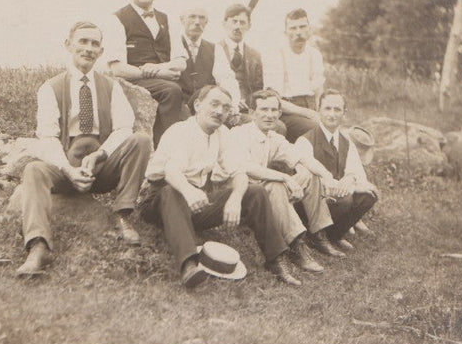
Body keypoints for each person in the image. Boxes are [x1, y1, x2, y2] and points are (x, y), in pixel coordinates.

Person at [15, 21, 154, 277]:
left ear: (101, 51)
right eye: (83, 41)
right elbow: (47, 137)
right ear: (68, 45)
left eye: (94, 43)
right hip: (66, 164)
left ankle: (122, 215)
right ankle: (38, 245)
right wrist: (68, 170)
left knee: (141, 140)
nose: (89, 48)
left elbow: (124, 128)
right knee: (34, 169)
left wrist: (100, 154)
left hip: (101, 166)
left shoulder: (112, 86)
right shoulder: (50, 88)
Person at [139, 85, 307, 287]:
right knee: (172, 192)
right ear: (198, 105)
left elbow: (238, 172)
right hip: (160, 199)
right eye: (214, 104)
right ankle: (189, 265)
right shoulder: (181, 131)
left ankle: (276, 260)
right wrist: (189, 192)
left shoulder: (222, 134)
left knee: (255, 191)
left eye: (226, 108)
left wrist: (235, 199)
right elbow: (171, 172)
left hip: (194, 203)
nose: (220, 111)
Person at [222, 88, 340, 275]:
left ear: (279, 113)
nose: (269, 115)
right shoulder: (239, 134)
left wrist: (326, 176)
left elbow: (302, 157)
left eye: (274, 110)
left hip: (259, 190)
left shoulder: (273, 137)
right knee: (276, 185)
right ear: (252, 112)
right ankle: (296, 245)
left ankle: (318, 234)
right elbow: (245, 167)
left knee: (310, 174)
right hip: (235, 194)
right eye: (264, 110)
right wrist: (285, 177)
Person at [103, 0, 186, 144]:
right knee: (171, 91)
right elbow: (117, 68)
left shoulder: (168, 19)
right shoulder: (117, 19)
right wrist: (155, 73)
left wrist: (159, 68)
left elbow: (181, 61)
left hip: (164, 78)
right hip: (134, 81)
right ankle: (164, 147)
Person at [295, 89, 378, 257]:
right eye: (327, 108)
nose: (332, 114)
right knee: (346, 199)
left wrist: (350, 179)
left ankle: (334, 235)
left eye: (337, 109)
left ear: (344, 113)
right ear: (318, 110)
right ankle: (314, 234)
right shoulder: (305, 141)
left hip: (337, 198)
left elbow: (357, 173)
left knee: (369, 195)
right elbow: (310, 180)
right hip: (312, 202)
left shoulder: (347, 143)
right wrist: (349, 187)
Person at [263, 8, 326, 141]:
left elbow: (319, 93)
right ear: (285, 32)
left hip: (311, 108)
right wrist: (309, 113)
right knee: (316, 129)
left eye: (302, 27)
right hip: (287, 112)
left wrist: (321, 113)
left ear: (309, 30)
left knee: (334, 130)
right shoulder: (276, 56)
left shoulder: (315, 54)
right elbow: (275, 100)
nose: (298, 32)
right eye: (293, 28)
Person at [176, 6, 241, 107]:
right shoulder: (173, 44)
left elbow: (226, 79)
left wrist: (233, 105)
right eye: (192, 17)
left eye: (202, 18)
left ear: (206, 22)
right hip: (178, 105)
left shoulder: (215, 49)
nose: (197, 22)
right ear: (182, 20)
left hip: (206, 107)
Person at [219, 3, 264, 109]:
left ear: (249, 26)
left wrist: (248, 102)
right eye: (234, 21)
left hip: (248, 108)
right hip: (221, 106)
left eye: (242, 23)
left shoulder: (255, 56)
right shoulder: (214, 50)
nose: (238, 26)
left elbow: (258, 89)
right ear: (224, 23)